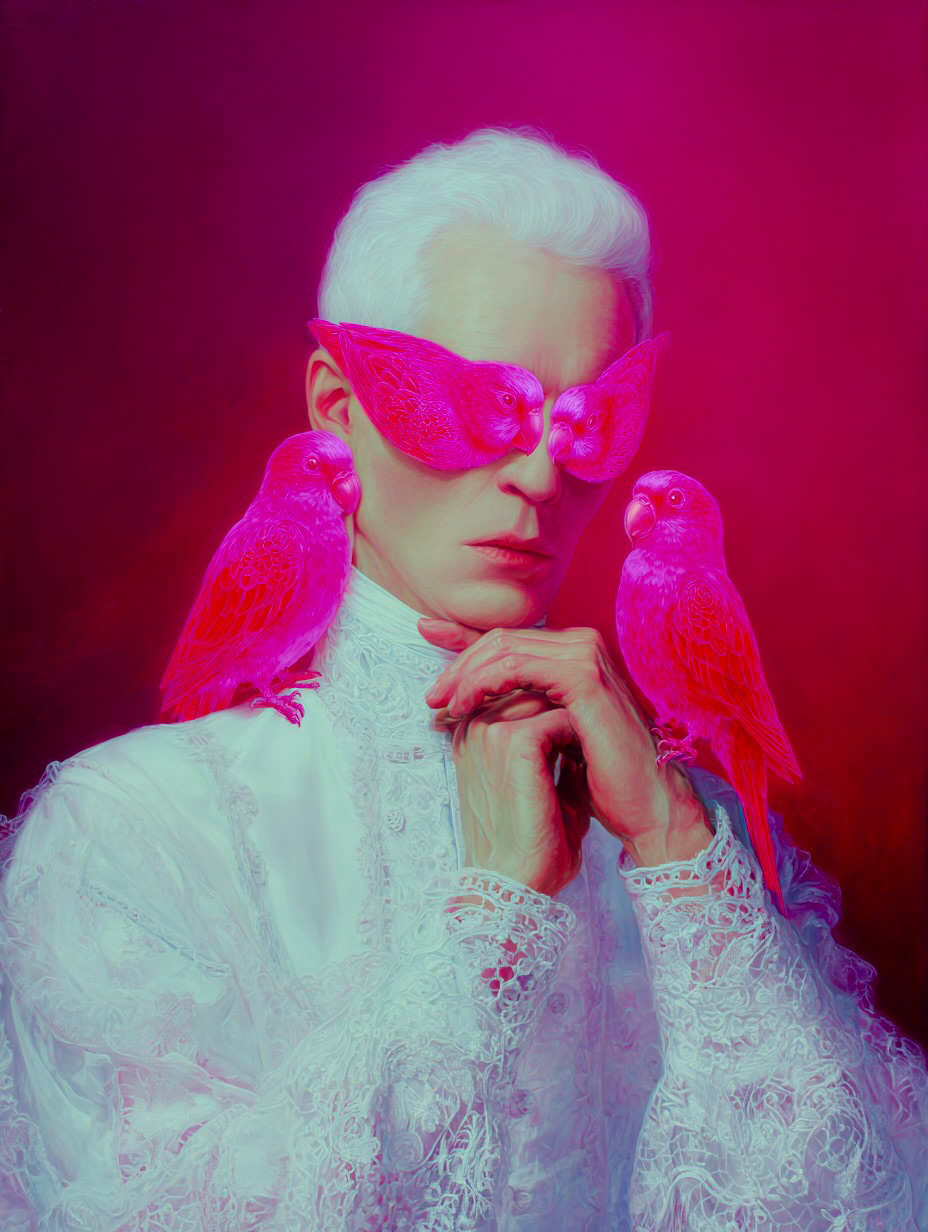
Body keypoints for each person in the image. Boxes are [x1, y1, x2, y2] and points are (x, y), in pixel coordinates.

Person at [1, 127, 925, 1231]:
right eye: (483, 406)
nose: (539, 475)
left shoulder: (697, 844)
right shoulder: (134, 831)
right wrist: (492, 920)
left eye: (589, 424)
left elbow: (872, 1203)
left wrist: (681, 852)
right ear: (337, 406)